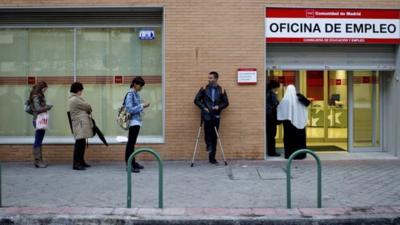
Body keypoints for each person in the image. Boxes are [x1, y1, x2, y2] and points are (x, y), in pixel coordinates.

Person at [194, 71, 229, 164]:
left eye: (211, 78)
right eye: (208, 78)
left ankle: (212, 157)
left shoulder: (221, 90)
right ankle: (208, 145)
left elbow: (226, 103)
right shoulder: (204, 88)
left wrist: (219, 107)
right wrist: (203, 107)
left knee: (214, 136)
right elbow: (196, 100)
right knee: (207, 131)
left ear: (216, 79)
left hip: (216, 115)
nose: (209, 79)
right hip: (206, 114)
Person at [277, 84, 310, 160]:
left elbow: (280, 110)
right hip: (300, 122)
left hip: (288, 124)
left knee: (289, 140)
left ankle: (289, 154)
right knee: (300, 140)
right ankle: (301, 155)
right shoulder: (300, 99)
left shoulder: (285, 100)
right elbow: (306, 107)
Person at [125, 76, 150, 173]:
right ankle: (129, 164)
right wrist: (142, 105)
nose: (141, 88)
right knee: (130, 144)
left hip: (136, 121)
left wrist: (142, 105)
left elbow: (135, 107)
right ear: (135, 84)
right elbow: (129, 109)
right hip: (133, 122)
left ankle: (133, 162)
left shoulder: (135, 94)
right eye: (140, 85)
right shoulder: (130, 94)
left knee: (132, 143)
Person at [68, 82, 93, 170]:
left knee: (81, 144)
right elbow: (88, 107)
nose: (81, 92)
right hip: (80, 124)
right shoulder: (75, 99)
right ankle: (76, 164)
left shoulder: (75, 98)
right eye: (81, 90)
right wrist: (88, 107)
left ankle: (81, 161)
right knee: (79, 145)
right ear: (78, 90)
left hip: (80, 124)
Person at [29, 81, 52, 168]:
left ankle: (39, 160)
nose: (46, 91)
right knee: (38, 140)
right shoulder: (36, 96)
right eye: (45, 89)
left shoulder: (36, 95)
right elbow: (38, 108)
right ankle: (38, 161)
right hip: (38, 120)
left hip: (39, 120)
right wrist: (48, 107)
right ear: (42, 88)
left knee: (39, 140)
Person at [266, 80, 281, 157]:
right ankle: (272, 152)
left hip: (268, 118)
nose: (277, 90)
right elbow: (276, 105)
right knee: (272, 136)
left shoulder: (267, 93)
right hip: (271, 119)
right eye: (277, 88)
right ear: (274, 87)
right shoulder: (271, 94)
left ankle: (270, 151)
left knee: (270, 136)